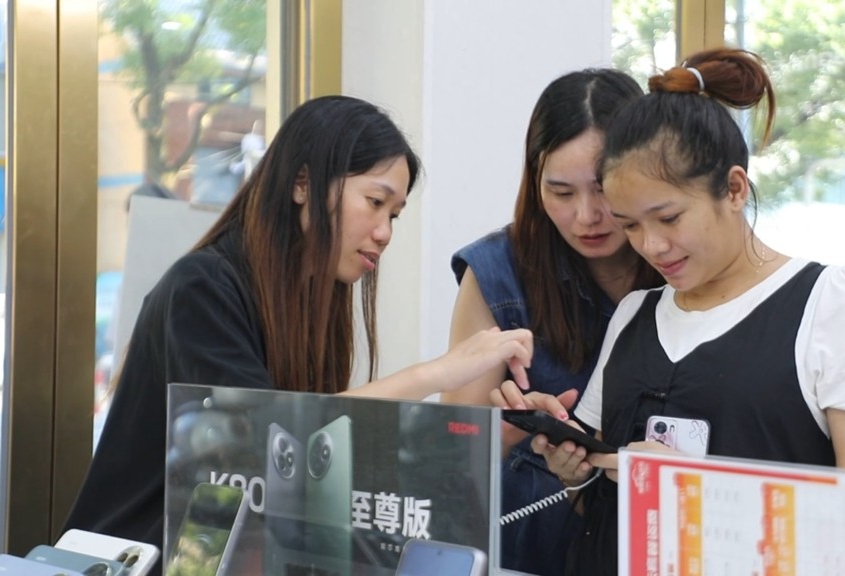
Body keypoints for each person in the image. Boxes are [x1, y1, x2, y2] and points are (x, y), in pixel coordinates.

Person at [494, 48, 845, 576]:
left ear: (735, 189)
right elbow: (601, 512)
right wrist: (575, 471)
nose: (651, 245)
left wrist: (701, 495)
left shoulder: (835, 301)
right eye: (630, 225)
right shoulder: (634, 315)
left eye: (669, 217)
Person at [64, 95, 534, 575]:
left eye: (394, 214)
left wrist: (494, 437)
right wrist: (437, 373)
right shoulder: (202, 288)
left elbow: (308, 473)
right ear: (303, 184)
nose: (385, 232)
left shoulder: (310, 301)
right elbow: (267, 448)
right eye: (375, 203)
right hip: (136, 560)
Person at [443, 69, 663, 576]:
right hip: (527, 544)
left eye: (603, 189)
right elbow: (452, 452)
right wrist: (506, 429)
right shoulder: (498, 271)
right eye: (561, 192)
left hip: (654, 541)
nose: (586, 216)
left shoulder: (681, 263)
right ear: (534, 182)